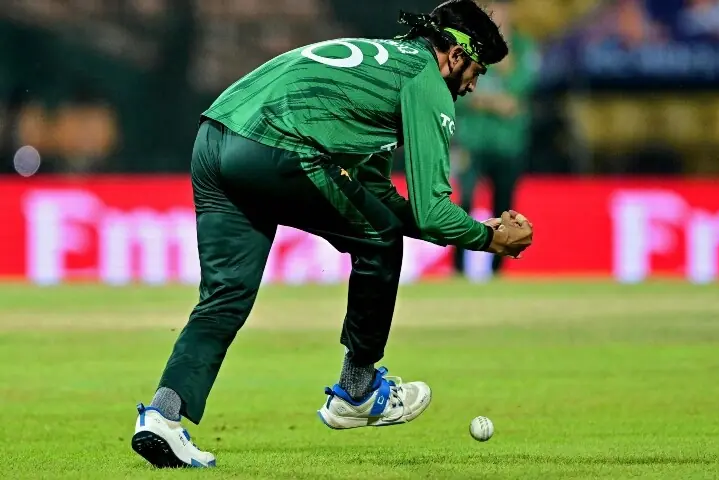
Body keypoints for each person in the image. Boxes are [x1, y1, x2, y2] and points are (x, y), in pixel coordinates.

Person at [131, 0, 533, 468]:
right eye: (478, 70)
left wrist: (473, 228)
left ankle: (163, 415)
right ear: (456, 55)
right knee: (380, 240)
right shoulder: (426, 82)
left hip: (215, 137)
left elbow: (378, 191)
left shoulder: (382, 62)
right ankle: (358, 392)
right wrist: (488, 240)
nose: (473, 84)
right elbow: (429, 210)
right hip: (275, 148)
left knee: (225, 297)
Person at [453, 0, 539, 277]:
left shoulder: (524, 48)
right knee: (463, 202)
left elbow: (521, 91)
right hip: (472, 141)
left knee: (505, 206)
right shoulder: (468, 46)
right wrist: (492, 102)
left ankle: (498, 270)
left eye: (502, 10)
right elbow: (456, 92)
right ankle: (457, 269)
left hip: (508, 142)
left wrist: (483, 96)